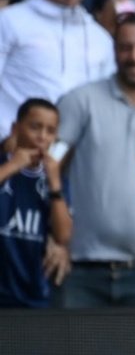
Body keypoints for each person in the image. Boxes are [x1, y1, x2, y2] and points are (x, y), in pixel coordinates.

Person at [55, 11, 135, 308]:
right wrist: (54, 237)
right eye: (126, 47)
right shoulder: (80, 101)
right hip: (81, 270)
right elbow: (49, 167)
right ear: (114, 50)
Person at [0, 0, 114, 139]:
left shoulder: (100, 38)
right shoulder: (9, 21)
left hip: (76, 155)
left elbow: (106, 101)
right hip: (14, 151)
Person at [0, 98, 71, 308]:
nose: (42, 136)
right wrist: (13, 165)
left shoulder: (55, 178)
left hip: (33, 293)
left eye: (50, 131)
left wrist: (55, 183)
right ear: (15, 128)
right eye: (35, 127)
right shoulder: (4, 164)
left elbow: (63, 236)